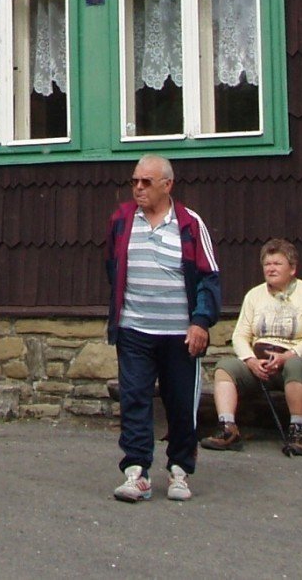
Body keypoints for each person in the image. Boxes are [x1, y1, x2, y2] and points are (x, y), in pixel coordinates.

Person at [104, 155, 220, 503]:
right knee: (135, 398)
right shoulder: (121, 221)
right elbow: (113, 267)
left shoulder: (189, 223)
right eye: (135, 181)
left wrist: (200, 322)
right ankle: (136, 472)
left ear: (167, 185)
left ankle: (180, 470)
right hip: (134, 329)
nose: (138, 188)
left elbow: (209, 277)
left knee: (181, 404)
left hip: (180, 335)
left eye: (146, 182)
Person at [202, 237, 302, 455]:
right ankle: (227, 428)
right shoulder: (254, 295)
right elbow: (240, 335)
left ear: (292, 269)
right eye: (267, 264)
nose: (271, 268)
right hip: (260, 364)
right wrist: (250, 360)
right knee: (225, 367)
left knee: (295, 365)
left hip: (299, 363)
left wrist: (287, 356)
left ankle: (298, 430)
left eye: (277, 263)